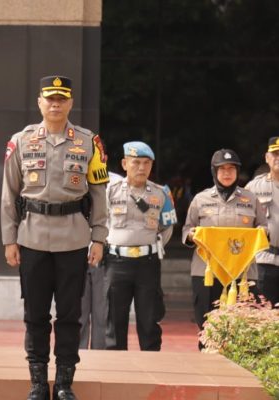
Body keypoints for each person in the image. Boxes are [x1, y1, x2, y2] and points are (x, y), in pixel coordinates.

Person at [1, 75, 109, 400]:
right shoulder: (21, 141)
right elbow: (9, 193)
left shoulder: (89, 142)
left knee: (69, 315)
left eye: (62, 99)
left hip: (73, 239)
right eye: (50, 98)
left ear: (71, 103)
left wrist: (100, 238)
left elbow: (100, 194)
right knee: (35, 315)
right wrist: (9, 239)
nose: (55, 104)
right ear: (40, 102)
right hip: (32, 238)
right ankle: (37, 381)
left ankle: (63, 382)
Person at [182, 149, 266, 348]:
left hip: (243, 273)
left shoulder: (251, 199)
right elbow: (186, 229)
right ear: (214, 172)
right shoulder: (201, 199)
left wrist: (262, 233)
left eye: (231, 169)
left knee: (242, 327)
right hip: (207, 272)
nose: (227, 173)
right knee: (206, 325)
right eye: (222, 169)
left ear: (238, 172)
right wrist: (192, 234)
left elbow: (263, 227)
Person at [103, 142, 176, 351]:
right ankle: (116, 369)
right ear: (125, 164)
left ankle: (151, 365)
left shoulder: (162, 193)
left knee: (149, 319)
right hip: (116, 262)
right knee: (115, 320)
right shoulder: (110, 191)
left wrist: (150, 246)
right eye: (136, 162)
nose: (141, 168)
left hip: (147, 263)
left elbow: (167, 228)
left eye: (146, 163)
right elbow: (98, 222)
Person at [78, 172, 122, 350]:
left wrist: (102, 241)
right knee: (77, 314)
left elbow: (115, 219)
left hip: (105, 255)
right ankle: (75, 357)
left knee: (102, 313)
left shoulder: (116, 182)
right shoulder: (72, 175)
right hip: (75, 252)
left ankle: (101, 357)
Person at [244, 137, 279, 307]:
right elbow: (242, 222)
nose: (278, 157)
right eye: (275, 154)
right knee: (264, 315)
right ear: (267, 157)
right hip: (265, 260)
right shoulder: (254, 187)